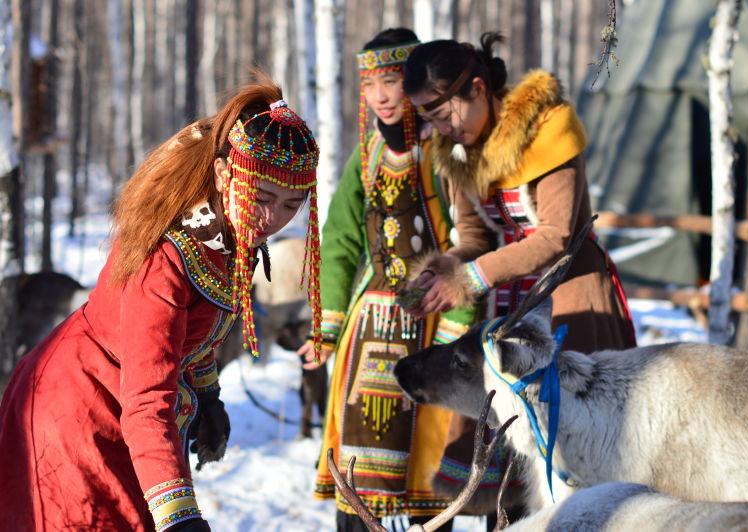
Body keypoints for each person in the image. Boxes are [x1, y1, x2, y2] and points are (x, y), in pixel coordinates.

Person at [0, 77, 321, 532]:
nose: (272, 218)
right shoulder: (165, 258)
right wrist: (181, 518)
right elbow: (148, 397)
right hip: (79, 412)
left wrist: (209, 396)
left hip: (134, 416)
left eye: (292, 204)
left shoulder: (234, 232)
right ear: (224, 175)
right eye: (263, 197)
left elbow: (199, 333)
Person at [298, 28, 477, 532]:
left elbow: (471, 236)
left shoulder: (445, 151)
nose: (380, 95)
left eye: (392, 81)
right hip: (369, 324)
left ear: (414, 84)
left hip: (437, 319)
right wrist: (326, 326)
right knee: (358, 459)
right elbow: (339, 241)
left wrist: (459, 320)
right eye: (370, 83)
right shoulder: (367, 157)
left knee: (430, 457)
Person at [403, 33, 637, 354]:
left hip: (568, 295)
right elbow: (476, 239)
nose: (443, 131)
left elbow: (555, 238)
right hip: (502, 308)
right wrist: (441, 271)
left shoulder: (547, 131)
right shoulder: (456, 152)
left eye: (444, 116)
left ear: (479, 89)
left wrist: (470, 278)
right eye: (430, 120)